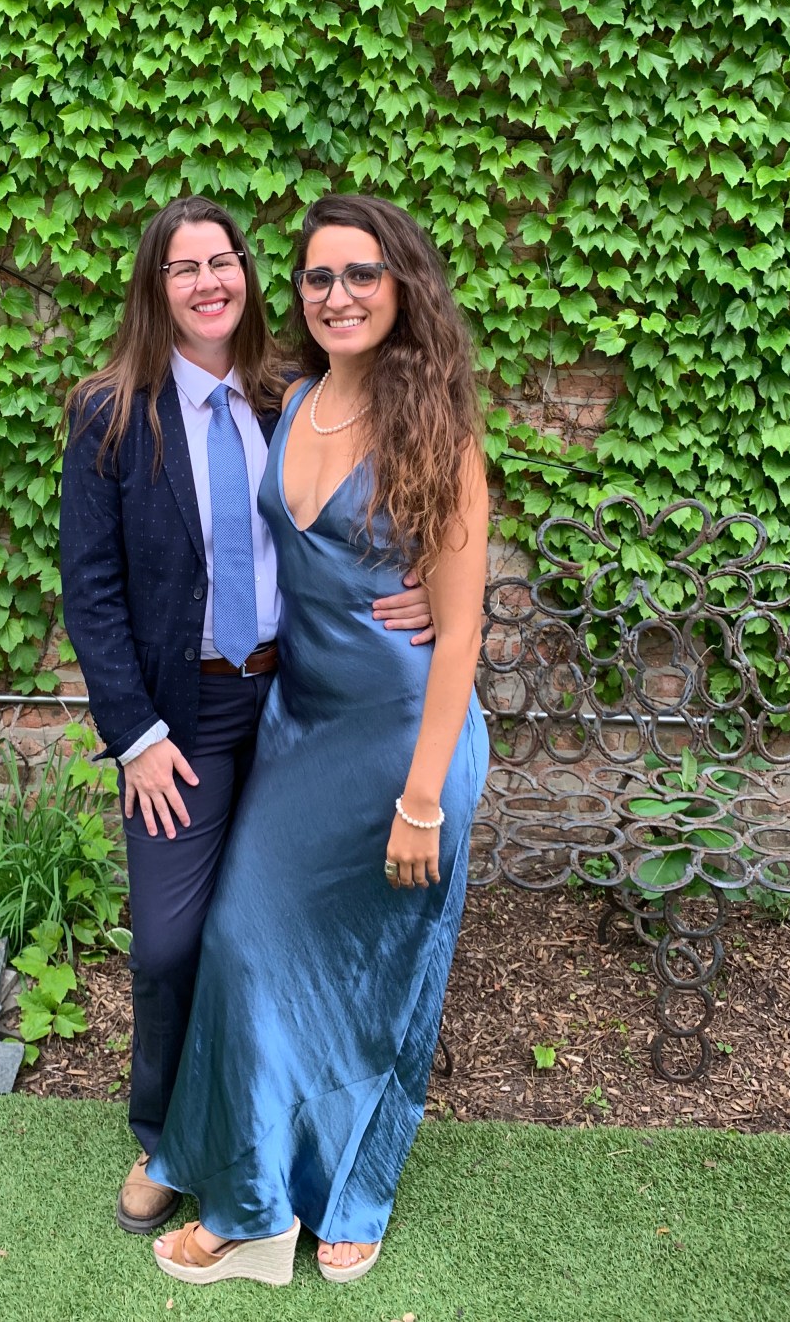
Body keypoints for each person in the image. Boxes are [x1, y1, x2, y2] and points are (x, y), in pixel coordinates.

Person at [58, 196, 434, 1235]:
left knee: (266, 938)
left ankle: (286, 1136)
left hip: (299, 709)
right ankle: (161, 1137)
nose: (207, 281)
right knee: (174, 943)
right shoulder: (110, 412)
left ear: (246, 275)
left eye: (222, 261)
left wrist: (433, 594)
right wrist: (133, 736)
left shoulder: (296, 394)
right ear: (155, 287)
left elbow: (388, 510)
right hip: (181, 724)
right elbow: (89, 589)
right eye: (183, 268)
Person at [147, 193, 490, 1287]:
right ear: (293, 294)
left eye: (360, 274)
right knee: (248, 947)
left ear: (401, 286)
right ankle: (253, 1203)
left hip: (404, 744)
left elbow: (461, 631)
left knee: (381, 974)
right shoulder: (287, 397)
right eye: (316, 277)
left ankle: (355, 1192)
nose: (337, 295)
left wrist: (424, 795)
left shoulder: (433, 427)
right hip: (299, 729)